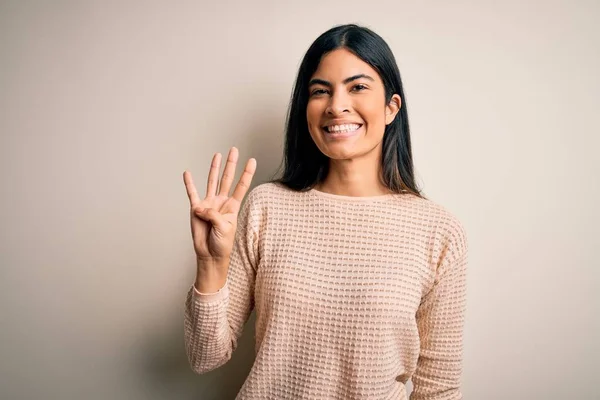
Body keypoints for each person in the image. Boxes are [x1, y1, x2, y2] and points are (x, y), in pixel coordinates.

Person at [182, 24, 468, 400]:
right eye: (320, 91)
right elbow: (205, 357)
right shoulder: (266, 206)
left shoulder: (439, 232)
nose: (336, 105)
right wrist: (210, 264)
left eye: (358, 87)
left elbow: (439, 390)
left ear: (390, 108)